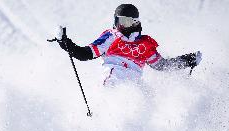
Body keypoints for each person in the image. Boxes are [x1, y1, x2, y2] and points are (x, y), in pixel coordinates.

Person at [56, 4, 202, 86]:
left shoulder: (145, 44)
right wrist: (64, 42)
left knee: (147, 101)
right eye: (120, 21)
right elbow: (84, 54)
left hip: (135, 87)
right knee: (116, 88)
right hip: (113, 80)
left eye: (127, 22)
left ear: (135, 23)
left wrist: (187, 60)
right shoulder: (112, 37)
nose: (122, 26)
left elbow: (162, 66)